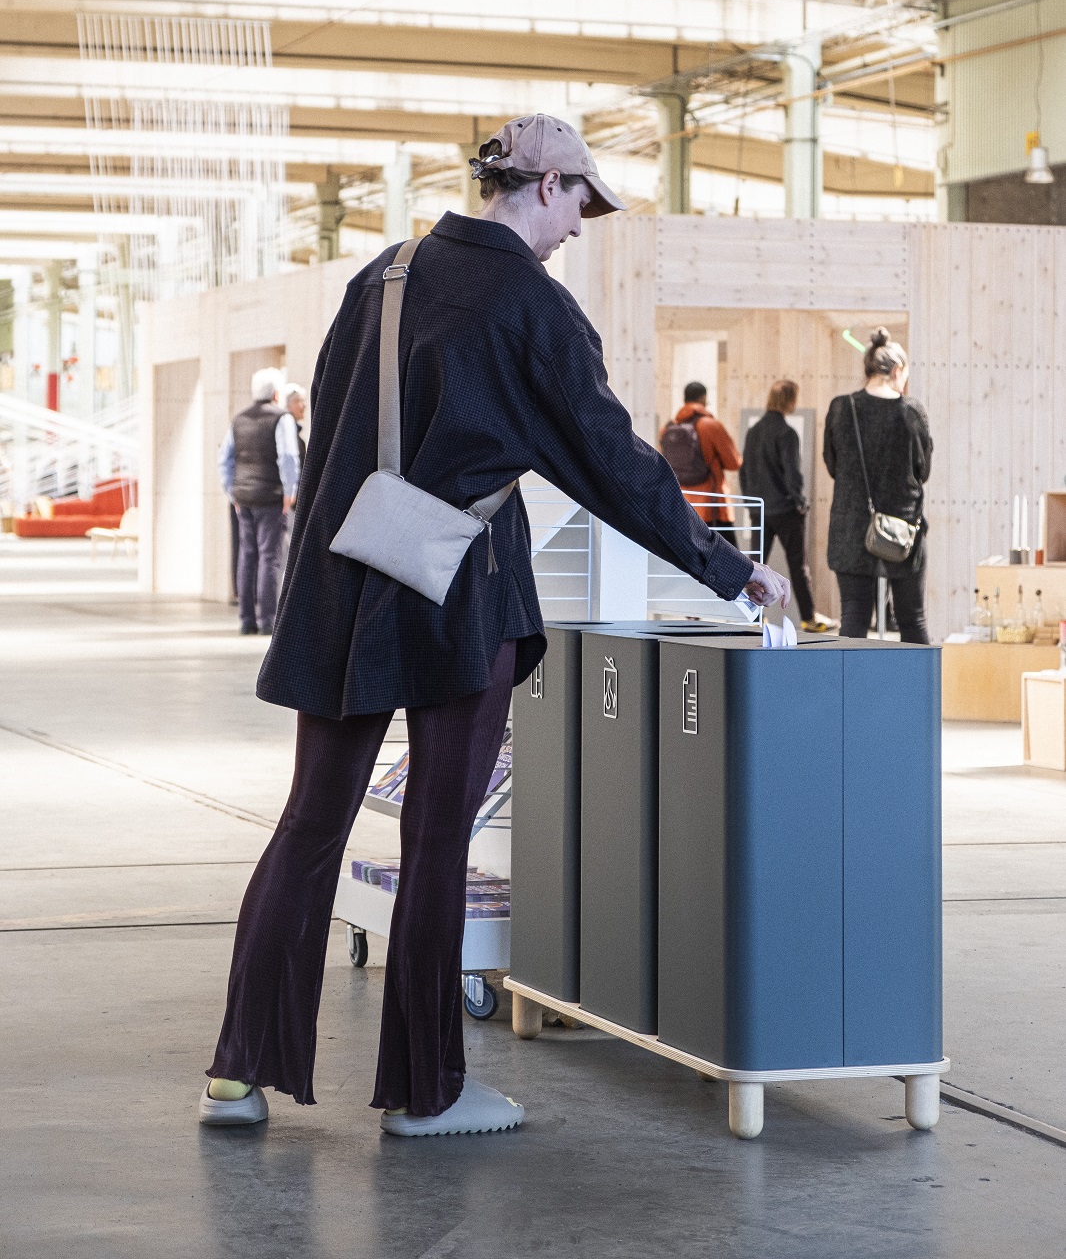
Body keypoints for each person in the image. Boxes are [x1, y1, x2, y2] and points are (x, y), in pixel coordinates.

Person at [199, 113, 789, 1140]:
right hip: (461, 593)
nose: (580, 229)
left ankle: (235, 1074)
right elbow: (615, 467)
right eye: (581, 205)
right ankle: (425, 1092)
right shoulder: (532, 306)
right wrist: (729, 569)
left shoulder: (382, 276)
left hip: (346, 578)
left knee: (309, 822)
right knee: (436, 837)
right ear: (548, 185)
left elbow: (334, 434)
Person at [823, 328, 932, 644]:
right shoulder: (911, 412)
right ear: (897, 370)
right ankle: (918, 679)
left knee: (854, 617)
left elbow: (832, 464)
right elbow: (923, 470)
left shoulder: (842, 408)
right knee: (912, 619)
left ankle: (849, 679)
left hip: (851, 527)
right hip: (902, 529)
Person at [740, 379, 835, 634]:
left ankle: (753, 617)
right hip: (784, 510)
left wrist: (750, 501)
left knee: (755, 566)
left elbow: (744, 471)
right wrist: (800, 501)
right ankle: (809, 618)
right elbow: (793, 474)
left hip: (759, 510)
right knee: (798, 566)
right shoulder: (787, 433)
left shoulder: (754, 431)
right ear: (790, 401)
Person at [218, 369, 301, 636]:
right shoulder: (281, 418)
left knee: (247, 555)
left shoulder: (239, 419)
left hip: (243, 498)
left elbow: (225, 459)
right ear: (276, 394)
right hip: (271, 497)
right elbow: (287, 457)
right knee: (270, 557)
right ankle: (267, 620)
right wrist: (290, 491)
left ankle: (246, 620)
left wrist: (232, 492)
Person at [660, 380, 742, 534]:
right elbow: (734, 462)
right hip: (711, 505)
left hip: (681, 505)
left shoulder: (668, 428)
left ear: (685, 399)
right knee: (726, 549)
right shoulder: (710, 425)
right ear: (703, 398)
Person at [282, 383, 308, 474]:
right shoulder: (284, 434)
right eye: (299, 401)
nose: (304, 405)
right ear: (287, 404)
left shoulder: (294, 434)